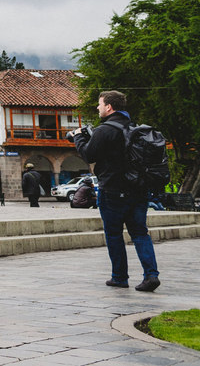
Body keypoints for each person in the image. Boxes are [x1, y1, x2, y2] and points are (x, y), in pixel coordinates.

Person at [69, 90, 160, 291]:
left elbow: (89, 155)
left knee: (114, 234)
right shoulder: (134, 128)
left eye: (100, 104)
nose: (98, 107)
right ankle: (151, 275)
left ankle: (119, 277)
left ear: (109, 107)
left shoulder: (105, 130)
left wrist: (78, 138)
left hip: (112, 190)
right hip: (138, 190)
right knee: (140, 233)